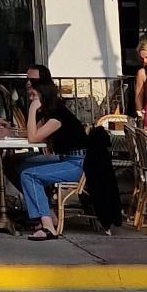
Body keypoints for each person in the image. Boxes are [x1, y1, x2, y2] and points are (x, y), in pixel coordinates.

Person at [17, 65, 89, 242]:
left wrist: (32, 109)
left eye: (33, 84)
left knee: (29, 175)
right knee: (19, 163)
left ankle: (48, 224)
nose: (28, 87)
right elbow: (32, 132)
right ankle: (45, 210)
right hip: (67, 159)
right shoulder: (50, 112)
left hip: (78, 162)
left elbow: (33, 138)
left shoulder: (57, 114)